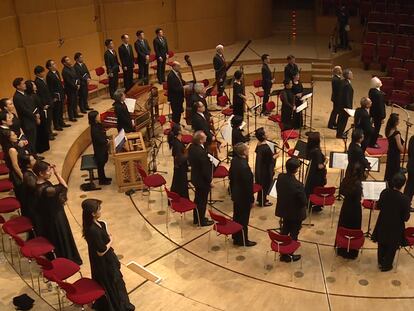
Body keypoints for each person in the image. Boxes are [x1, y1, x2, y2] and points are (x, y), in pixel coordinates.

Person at [82, 199, 135, 311]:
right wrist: (111, 240)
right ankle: (116, 306)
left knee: (115, 283)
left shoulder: (99, 224)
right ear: (93, 213)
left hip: (107, 259)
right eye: (99, 209)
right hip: (103, 263)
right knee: (112, 283)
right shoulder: (92, 230)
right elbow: (100, 252)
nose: (101, 211)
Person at [34, 161, 82, 265]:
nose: (50, 172)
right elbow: (64, 186)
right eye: (48, 171)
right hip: (56, 216)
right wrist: (57, 173)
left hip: (49, 215)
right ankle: (68, 259)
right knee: (62, 237)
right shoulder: (48, 190)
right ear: (41, 173)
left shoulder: (37, 184)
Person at [372, 173, 411, 272]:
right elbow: (406, 217)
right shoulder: (405, 199)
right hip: (396, 226)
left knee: (381, 242)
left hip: (383, 222)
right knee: (392, 246)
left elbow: (379, 206)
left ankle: (380, 261)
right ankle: (387, 265)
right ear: (403, 184)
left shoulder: (385, 192)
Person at [275, 158, 306, 262]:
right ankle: (289, 254)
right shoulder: (298, 185)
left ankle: (283, 252)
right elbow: (304, 201)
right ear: (296, 170)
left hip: (284, 210)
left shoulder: (280, 177)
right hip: (295, 214)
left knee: (284, 230)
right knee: (294, 234)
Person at [229, 142, 256, 246]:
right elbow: (248, 186)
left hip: (236, 193)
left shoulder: (234, 160)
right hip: (243, 197)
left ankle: (236, 236)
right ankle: (243, 240)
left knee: (236, 217)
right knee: (243, 219)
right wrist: (252, 200)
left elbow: (231, 176)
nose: (248, 150)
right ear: (244, 152)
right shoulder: (244, 167)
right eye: (247, 149)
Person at [336, 163, 364, 259]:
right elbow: (359, 195)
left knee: (344, 224)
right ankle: (352, 250)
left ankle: (341, 248)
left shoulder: (346, 180)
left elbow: (342, 192)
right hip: (355, 208)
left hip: (346, 206)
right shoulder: (359, 184)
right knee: (354, 227)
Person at [187, 131, 214, 226]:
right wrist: (210, 181)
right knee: (202, 201)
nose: (207, 136)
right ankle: (201, 221)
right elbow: (205, 170)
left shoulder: (192, 147)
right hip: (202, 180)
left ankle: (197, 217)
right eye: (205, 136)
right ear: (201, 140)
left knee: (197, 199)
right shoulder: (201, 152)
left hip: (195, 177)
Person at [0, 129, 28, 203]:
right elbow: (15, 165)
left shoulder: (13, 145)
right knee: (23, 196)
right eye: (13, 135)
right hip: (17, 174)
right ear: (9, 138)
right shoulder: (12, 150)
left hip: (19, 171)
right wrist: (22, 176)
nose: (16, 136)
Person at [12, 77, 39, 154]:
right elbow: (25, 110)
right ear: (18, 86)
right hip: (27, 122)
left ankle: (35, 155)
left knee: (34, 139)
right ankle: (33, 156)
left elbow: (32, 105)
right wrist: (35, 116)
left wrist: (36, 114)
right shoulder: (17, 97)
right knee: (30, 141)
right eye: (23, 83)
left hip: (32, 119)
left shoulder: (25, 93)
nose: (25, 85)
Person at [25, 81, 49, 154]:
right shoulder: (31, 96)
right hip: (38, 116)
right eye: (33, 85)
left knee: (44, 131)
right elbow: (35, 107)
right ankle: (41, 148)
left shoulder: (35, 94)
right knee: (40, 132)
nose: (35, 86)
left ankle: (45, 146)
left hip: (41, 114)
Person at [304, 132, 327, 211]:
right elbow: (319, 166)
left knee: (310, 187)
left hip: (311, 171)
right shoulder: (317, 152)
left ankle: (309, 203)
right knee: (316, 189)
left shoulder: (309, 148)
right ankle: (315, 205)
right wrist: (325, 162)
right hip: (317, 174)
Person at [254, 128, 277, 207]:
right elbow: (270, 160)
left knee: (261, 184)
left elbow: (257, 151)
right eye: (266, 132)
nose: (268, 133)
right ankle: (263, 201)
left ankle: (260, 199)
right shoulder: (266, 148)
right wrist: (276, 155)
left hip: (260, 167)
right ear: (263, 136)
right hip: (266, 169)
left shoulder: (259, 143)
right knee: (265, 184)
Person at [89, 111, 111, 185]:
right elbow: (99, 139)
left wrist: (106, 138)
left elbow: (103, 133)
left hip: (102, 149)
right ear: (94, 119)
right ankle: (102, 181)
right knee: (100, 166)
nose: (99, 117)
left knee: (102, 164)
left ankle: (104, 178)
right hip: (99, 150)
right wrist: (106, 141)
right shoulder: (94, 129)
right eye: (98, 116)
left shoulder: (98, 125)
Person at [46, 59, 69, 131]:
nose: (55, 65)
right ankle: (57, 125)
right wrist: (54, 97)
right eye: (53, 64)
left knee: (61, 110)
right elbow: (50, 88)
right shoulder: (49, 75)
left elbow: (59, 84)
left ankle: (61, 122)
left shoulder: (57, 72)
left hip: (61, 94)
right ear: (49, 67)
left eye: (54, 63)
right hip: (56, 96)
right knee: (56, 111)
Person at [34, 65, 55, 140]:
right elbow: (40, 95)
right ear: (37, 73)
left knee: (49, 119)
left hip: (49, 102)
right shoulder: (37, 82)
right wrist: (44, 105)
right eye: (42, 72)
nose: (43, 73)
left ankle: (50, 132)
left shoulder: (43, 80)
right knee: (47, 121)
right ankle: (48, 134)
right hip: (45, 105)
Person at [168, 124, 189, 199]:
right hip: (180, 168)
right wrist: (188, 153)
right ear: (179, 132)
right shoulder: (177, 144)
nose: (184, 130)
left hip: (179, 168)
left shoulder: (178, 141)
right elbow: (180, 159)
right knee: (180, 185)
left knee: (177, 184)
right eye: (182, 128)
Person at [384, 113, 405, 187]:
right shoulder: (396, 134)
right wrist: (404, 149)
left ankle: (387, 184)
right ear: (396, 122)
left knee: (389, 169)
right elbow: (400, 147)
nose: (399, 121)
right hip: (395, 155)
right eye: (398, 120)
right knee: (394, 171)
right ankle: (392, 186)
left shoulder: (388, 130)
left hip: (390, 153)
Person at [61, 56, 82, 121]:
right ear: (64, 63)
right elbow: (68, 81)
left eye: (69, 59)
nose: (69, 61)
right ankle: (71, 116)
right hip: (70, 89)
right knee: (71, 103)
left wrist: (78, 83)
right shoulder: (64, 71)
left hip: (75, 88)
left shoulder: (72, 68)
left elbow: (76, 76)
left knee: (75, 101)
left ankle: (76, 114)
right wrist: (76, 86)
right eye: (67, 60)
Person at [336, 69, 354, 139]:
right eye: (351, 74)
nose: (352, 75)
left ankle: (339, 133)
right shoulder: (347, 85)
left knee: (340, 120)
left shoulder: (343, 81)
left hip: (341, 105)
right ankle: (340, 134)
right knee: (343, 121)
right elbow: (347, 98)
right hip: (345, 106)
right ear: (347, 75)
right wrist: (349, 108)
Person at [369, 77, 386, 148]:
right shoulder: (379, 94)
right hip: (378, 114)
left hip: (372, 112)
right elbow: (381, 106)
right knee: (377, 129)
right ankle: (373, 143)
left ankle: (370, 139)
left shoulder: (371, 91)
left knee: (372, 127)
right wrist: (383, 116)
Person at [404, 135, 414, 207]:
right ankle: (406, 204)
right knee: (411, 187)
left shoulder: (412, 138)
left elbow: (409, 152)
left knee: (409, 186)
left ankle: (406, 203)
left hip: (411, 164)